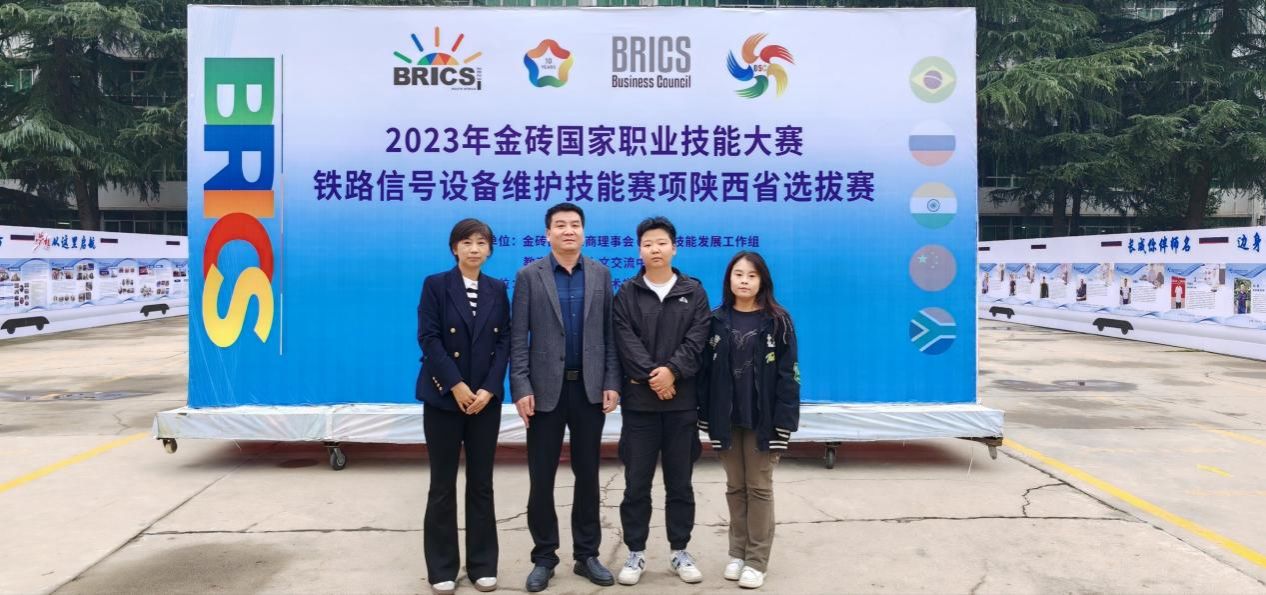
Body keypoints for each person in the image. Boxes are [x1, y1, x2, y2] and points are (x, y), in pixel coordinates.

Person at [510, 203, 621, 593]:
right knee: (541, 478)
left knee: (587, 476)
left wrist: (612, 380)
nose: (568, 230)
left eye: (575, 224)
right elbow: (518, 337)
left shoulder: (601, 274)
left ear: (584, 232)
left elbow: (609, 334)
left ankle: (587, 554)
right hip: (544, 393)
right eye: (560, 225)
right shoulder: (529, 276)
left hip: (589, 390)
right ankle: (544, 557)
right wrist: (521, 387)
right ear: (548, 234)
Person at [611, 217, 711, 586]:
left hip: (682, 405)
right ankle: (635, 552)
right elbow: (625, 341)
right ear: (639, 250)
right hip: (640, 405)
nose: (655, 249)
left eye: (661, 243)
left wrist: (672, 372)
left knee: (680, 483)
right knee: (636, 484)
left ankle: (680, 550)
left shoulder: (693, 292)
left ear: (674, 248)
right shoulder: (626, 293)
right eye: (648, 244)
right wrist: (657, 378)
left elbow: (698, 340)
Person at [416, 219, 511, 595]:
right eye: (467, 242)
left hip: (484, 402)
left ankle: (483, 565)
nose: (474, 248)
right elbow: (429, 338)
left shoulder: (497, 289)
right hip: (444, 398)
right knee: (442, 484)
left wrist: (489, 389)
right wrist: (456, 385)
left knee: (481, 483)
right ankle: (442, 567)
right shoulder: (436, 285)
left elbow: (504, 342)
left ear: (489, 250)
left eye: (481, 243)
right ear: (454, 248)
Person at [697, 251, 800, 590]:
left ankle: (756, 560)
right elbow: (705, 374)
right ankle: (737, 553)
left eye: (752, 275)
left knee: (759, 487)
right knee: (735, 487)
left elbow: (789, 373)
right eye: (738, 274)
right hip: (726, 419)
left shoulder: (778, 321)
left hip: (763, 420)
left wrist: (785, 420)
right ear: (729, 279)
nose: (744, 280)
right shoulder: (715, 320)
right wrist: (704, 416)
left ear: (762, 281)